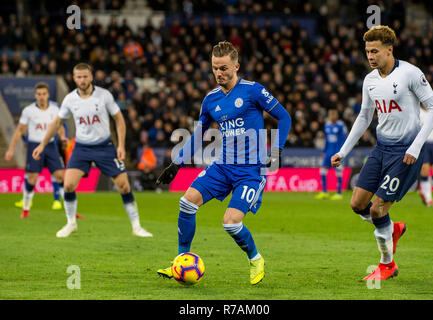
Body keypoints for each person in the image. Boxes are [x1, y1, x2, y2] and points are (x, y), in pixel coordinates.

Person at [155, 41, 291, 285]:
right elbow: (198, 135)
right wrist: (177, 164)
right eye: (215, 68)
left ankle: (255, 258)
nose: (219, 73)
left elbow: (284, 116)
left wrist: (277, 151)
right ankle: (181, 260)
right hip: (223, 166)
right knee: (186, 203)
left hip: (251, 171)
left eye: (224, 68)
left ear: (236, 66)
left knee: (230, 223)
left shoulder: (253, 90)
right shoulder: (210, 100)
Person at [331, 26, 433, 281]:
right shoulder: (370, 80)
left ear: (389, 50)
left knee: (377, 210)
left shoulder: (410, 74)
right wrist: (344, 151)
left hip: (405, 152)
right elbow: (364, 116)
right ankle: (393, 229)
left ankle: (387, 265)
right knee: (358, 204)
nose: (370, 56)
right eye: (367, 51)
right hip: (381, 149)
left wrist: (415, 147)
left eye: (375, 51)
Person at [32, 63, 152, 238]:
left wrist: (120, 145)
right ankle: (71, 223)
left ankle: (137, 226)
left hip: (105, 147)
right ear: (74, 79)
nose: (82, 80)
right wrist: (42, 144)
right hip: (82, 148)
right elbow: (56, 123)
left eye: (85, 76)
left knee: (124, 186)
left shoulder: (104, 96)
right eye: (78, 77)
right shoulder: (70, 99)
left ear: (91, 77)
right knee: (68, 185)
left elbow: (119, 120)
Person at [4, 82, 67, 218]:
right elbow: (19, 130)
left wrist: (63, 137)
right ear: (35, 95)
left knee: (61, 176)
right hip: (34, 146)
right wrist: (10, 149)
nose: (41, 96)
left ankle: (71, 211)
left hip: (50, 146)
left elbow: (59, 127)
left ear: (48, 94)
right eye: (39, 94)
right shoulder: (28, 110)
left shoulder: (55, 109)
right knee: (32, 179)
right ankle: (25, 210)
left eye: (44, 94)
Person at [315, 109, 347, 200]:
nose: (332, 116)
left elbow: (344, 140)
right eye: (330, 114)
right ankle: (324, 192)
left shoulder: (341, 125)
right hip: (328, 152)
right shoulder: (327, 125)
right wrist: (324, 152)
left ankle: (339, 193)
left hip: (337, 152)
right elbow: (327, 140)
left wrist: (341, 153)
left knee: (338, 171)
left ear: (337, 115)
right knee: (323, 170)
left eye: (333, 114)